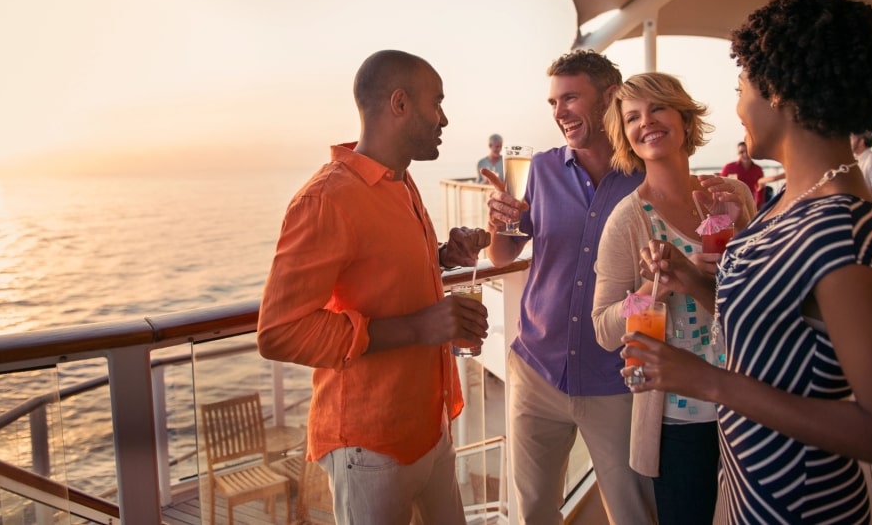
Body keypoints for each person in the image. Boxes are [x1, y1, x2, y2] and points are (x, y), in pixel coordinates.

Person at [625, 0, 872, 524]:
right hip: (755, 491)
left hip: (801, 505)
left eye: (741, 87)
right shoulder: (793, 198)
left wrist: (704, 380)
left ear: (780, 91)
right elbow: (776, 325)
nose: (739, 106)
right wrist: (691, 283)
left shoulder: (835, 222)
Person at [257, 49, 491, 525]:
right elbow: (278, 331)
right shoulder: (327, 200)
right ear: (400, 104)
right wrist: (419, 327)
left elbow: (382, 269)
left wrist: (444, 255)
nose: (444, 118)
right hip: (370, 446)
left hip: (430, 423)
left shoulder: (400, 183)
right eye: (437, 102)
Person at [481, 50, 656, 525]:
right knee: (534, 512)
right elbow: (503, 256)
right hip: (536, 371)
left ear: (610, 99)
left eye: (571, 98)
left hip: (615, 380)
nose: (559, 112)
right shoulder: (541, 169)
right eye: (553, 102)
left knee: (633, 513)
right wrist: (500, 217)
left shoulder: (647, 177)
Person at [591, 72, 755, 524]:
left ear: (684, 118)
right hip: (679, 420)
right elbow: (604, 328)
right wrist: (652, 288)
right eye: (632, 117)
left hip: (749, 398)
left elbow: (759, 297)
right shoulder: (627, 221)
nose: (647, 122)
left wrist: (740, 233)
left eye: (657, 109)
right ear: (624, 135)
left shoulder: (731, 195)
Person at [720, 140, 765, 204]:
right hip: (732, 203)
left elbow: (761, 191)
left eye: (748, 151)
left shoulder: (758, 169)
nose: (745, 154)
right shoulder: (729, 167)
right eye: (741, 152)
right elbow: (721, 187)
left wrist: (758, 208)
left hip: (751, 204)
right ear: (738, 153)